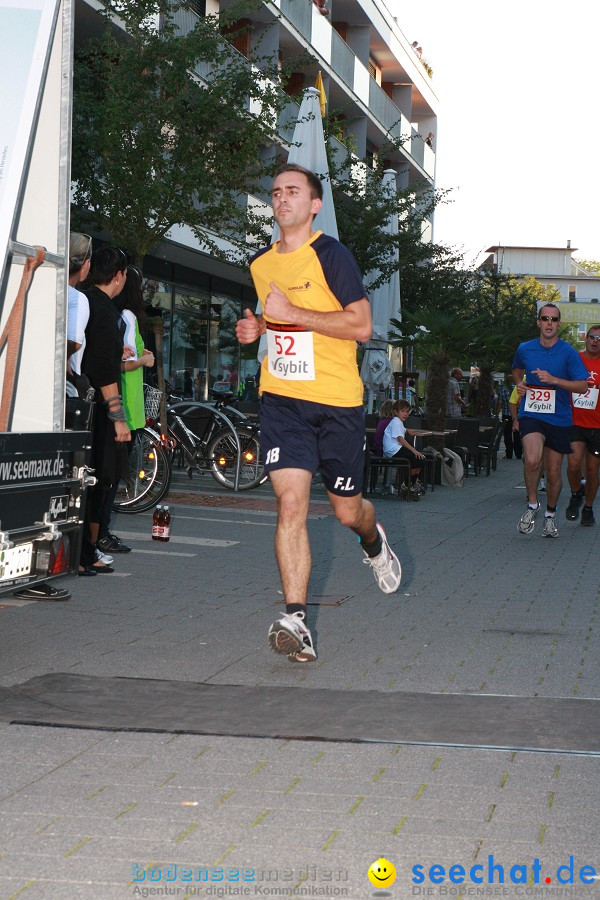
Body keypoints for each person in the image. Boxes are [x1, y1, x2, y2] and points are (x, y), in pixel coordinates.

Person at [235, 163, 401, 663]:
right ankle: (296, 620)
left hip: (338, 404)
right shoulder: (261, 264)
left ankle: (374, 542)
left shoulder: (332, 254)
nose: (281, 199)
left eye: (292, 192)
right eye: (275, 192)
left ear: (314, 205)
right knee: (291, 504)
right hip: (283, 401)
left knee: (349, 512)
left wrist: (290, 315)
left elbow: (362, 325)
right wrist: (258, 329)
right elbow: (274, 317)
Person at [513, 303, 588, 538]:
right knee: (532, 459)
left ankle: (550, 515)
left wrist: (555, 380)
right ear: (538, 322)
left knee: (554, 472)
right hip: (532, 413)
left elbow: (583, 385)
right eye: (545, 318)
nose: (549, 323)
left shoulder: (568, 353)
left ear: (559, 324)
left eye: (554, 319)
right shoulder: (525, 348)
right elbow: (517, 369)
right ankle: (533, 505)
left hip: (558, 417)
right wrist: (519, 383)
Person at [97, 265, 155, 556]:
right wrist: (144, 361)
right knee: (112, 474)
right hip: (124, 406)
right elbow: (122, 362)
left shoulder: (114, 315)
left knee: (108, 474)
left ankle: (100, 533)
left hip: (118, 402)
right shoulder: (128, 317)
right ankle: (102, 534)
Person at [80, 247, 132, 571]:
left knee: (94, 478)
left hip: (84, 402)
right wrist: (119, 418)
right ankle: (87, 553)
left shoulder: (87, 301)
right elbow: (102, 368)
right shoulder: (105, 310)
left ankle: (88, 551)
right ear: (118, 276)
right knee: (100, 477)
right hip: (97, 410)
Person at [565, 325, 600, 525]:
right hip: (574, 422)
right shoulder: (575, 359)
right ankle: (576, 493)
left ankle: (588, 509)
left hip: (598, 426)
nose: (596, 341)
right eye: (592, 337)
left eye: (599, 338)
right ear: (585, 339)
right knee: (573, 464)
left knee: (593, 471)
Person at [382, 399, 425, 498]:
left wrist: (407, 431)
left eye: (407, 411)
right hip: (393, 450)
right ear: (396, 412)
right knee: (418, 459)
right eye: (403, 411)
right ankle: (408, 485)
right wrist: (414, 450)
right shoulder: (396, 422)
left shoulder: (397, 421)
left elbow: (402, 430)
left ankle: (409, 485)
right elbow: (400, 439)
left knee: (419, 460)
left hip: (393, 450)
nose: (405, 414)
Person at [498, 375, 522, 460]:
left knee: (507, 435)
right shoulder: (518, 388)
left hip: (506, 415)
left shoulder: (502, 389)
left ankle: (509, 454)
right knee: (517, 435)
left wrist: (497, 413)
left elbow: (500, 402)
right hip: (517, 415)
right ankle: (519, 454)